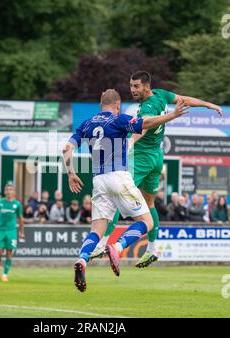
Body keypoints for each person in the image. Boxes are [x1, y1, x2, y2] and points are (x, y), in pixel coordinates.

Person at [91, 70, 222, 268]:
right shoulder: (161, 95)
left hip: (141, 158)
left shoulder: (147, 108)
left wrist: (127, 146)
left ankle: (101, 244)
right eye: (131, 85)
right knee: (149, 204)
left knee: (115, 197)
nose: (132, 89)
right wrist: (208, 104)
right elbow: (184, 99)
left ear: (146, 86)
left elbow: (141, 129)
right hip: (157, 157)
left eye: (136, 86)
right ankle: (152, 249)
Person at [63, 88, 188, 292]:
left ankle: (82, 260)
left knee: (96, 230)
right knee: (146, 221)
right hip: (118, 176)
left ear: (100, 104)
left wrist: (71, 173)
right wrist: (172, 115)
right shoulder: (119, 119)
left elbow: (66, 149)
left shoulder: (86, 124)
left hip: (99, 180)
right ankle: (118, 247)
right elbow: (145, 124)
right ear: (118, 105)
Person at [0, 184, 24, 282]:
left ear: (13, 192)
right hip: (0, 230)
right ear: (5, 191)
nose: (8, 191)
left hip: (11, 231)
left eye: (10, 189)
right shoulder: (0, 202)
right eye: (7, 190)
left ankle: (5, 274)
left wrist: (21, 232)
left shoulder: (17, 204)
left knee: (9, 253)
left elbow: (20, 218)